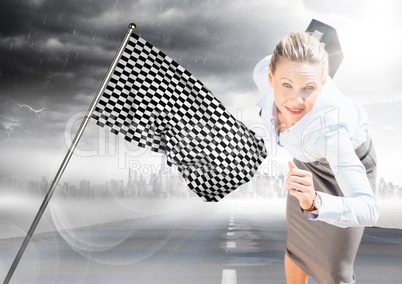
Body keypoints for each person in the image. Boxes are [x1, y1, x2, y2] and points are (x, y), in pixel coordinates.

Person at [253, 32, 379, 284]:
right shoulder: (262, 70)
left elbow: (369, 209)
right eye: (286, 85)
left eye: (308, 88)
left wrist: (314, 203)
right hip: (306, 165)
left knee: (335, 272)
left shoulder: (331, 132)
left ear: (322, 84)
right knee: (297, 249)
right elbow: (310, 42)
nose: (295, 101)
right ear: (270, 77)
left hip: (344, 165)